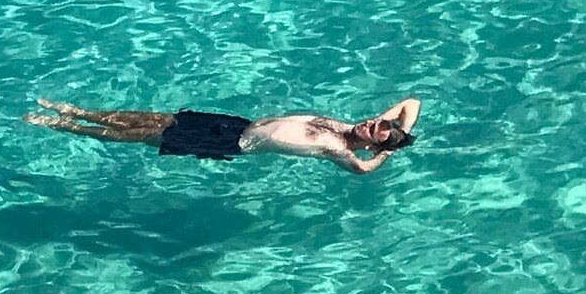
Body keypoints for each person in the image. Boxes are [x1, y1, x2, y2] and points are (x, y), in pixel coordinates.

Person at [24, 97, 421, 174]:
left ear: (372, 143)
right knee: (156, 118)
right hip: (236, 123)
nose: (369, 123)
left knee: (144, 135)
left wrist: (385, 154)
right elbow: (411, 102)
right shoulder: (345, 126)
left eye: (374, 130)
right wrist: (398, 130)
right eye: (374, 121)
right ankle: (79, 112)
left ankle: (64, 125)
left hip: (233, 143)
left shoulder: (337, 148)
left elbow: (363, 170)